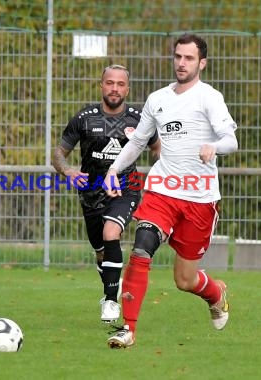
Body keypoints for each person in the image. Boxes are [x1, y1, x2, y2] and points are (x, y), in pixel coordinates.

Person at [103, 34, 238, 348]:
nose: (181, 63)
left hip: (200, 198)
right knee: (141, 246)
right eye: (178, 56)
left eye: (189, 58)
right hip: (162, 191)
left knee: (185, 280)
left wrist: (214, 147)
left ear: (201, 63)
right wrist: (113, 169)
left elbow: (231, 141)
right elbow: (138, 141)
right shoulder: (158, 99)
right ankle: (128, 329)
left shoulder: (210, 97)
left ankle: (216, 293)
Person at [53, 64, 161, 323]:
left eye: (120, 84)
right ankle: (111, 286)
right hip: (91, 192)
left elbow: (158, 149)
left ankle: (112, 301)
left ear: (128, 88)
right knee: (101, 250)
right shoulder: (84, 118)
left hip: (126, 188)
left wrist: (159, 178)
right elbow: (58, 153)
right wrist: (68, 171)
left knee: (111, 232)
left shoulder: (138, 119)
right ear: (101, 85)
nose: (115, 88)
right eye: (110, 83)